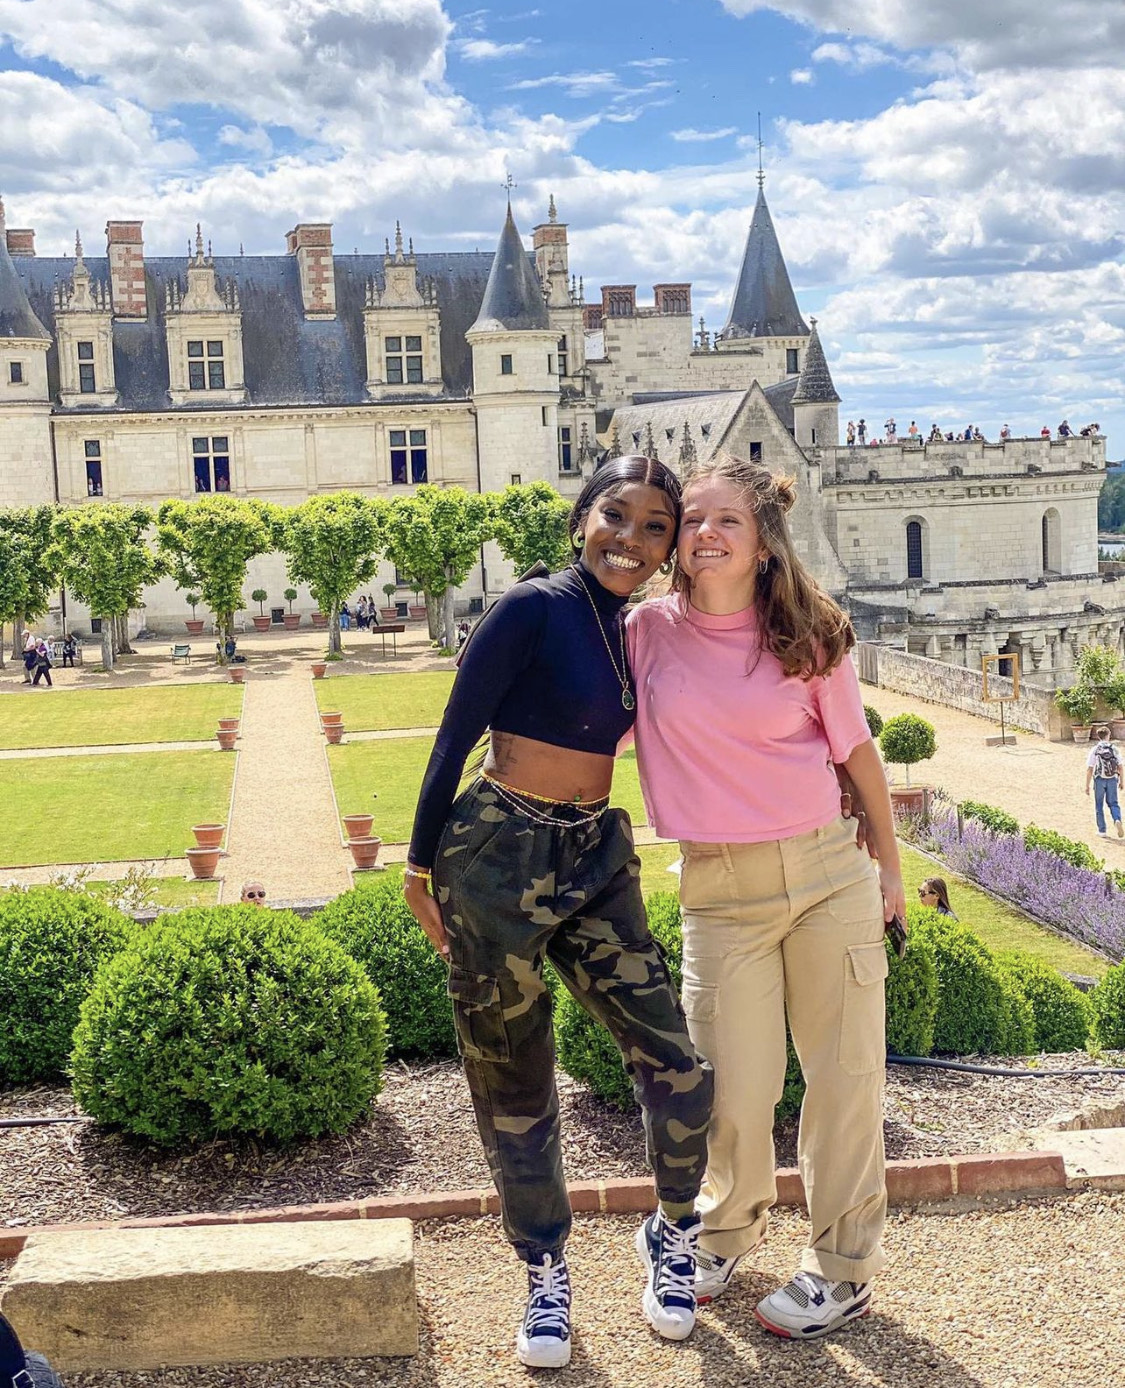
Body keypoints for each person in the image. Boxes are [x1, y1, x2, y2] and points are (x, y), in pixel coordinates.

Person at [402, 455, 713, 1369]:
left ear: (670, 549)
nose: (632, 538)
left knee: (678, 1067)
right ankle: (543, 1270)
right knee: (514, 1080)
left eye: (657, 526)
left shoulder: (645, 627)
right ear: (582, 517)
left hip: (594, 854)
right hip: (496, 854)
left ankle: (672, 1230)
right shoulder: (531, 607)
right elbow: (454, 736)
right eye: (616, 515)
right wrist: (419, 865)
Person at [626, 451, 904, 1342]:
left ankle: (842, 1267)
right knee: (732, 1089)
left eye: (726, 522)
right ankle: (723, 1231)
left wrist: (889, 872)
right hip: (718, 886)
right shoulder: (641, 632)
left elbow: (856, 754)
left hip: (827, 874)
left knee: (844, 1083)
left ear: (762, 545)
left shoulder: (811, 632)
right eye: (692, 521)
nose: (705, 534)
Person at [1086, 726, 1124, 838]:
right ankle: (1117, 819)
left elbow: (1090, 768)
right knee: (1113, 803)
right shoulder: (1114, 749)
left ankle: (1102, 831)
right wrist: (1122, 781)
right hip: (1112, 779)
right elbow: (1120, 767)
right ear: (1109, 735)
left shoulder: (1095, 750)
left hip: (1099, 779)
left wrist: (1087, 785)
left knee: (1099, 805)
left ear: (1098, 737)